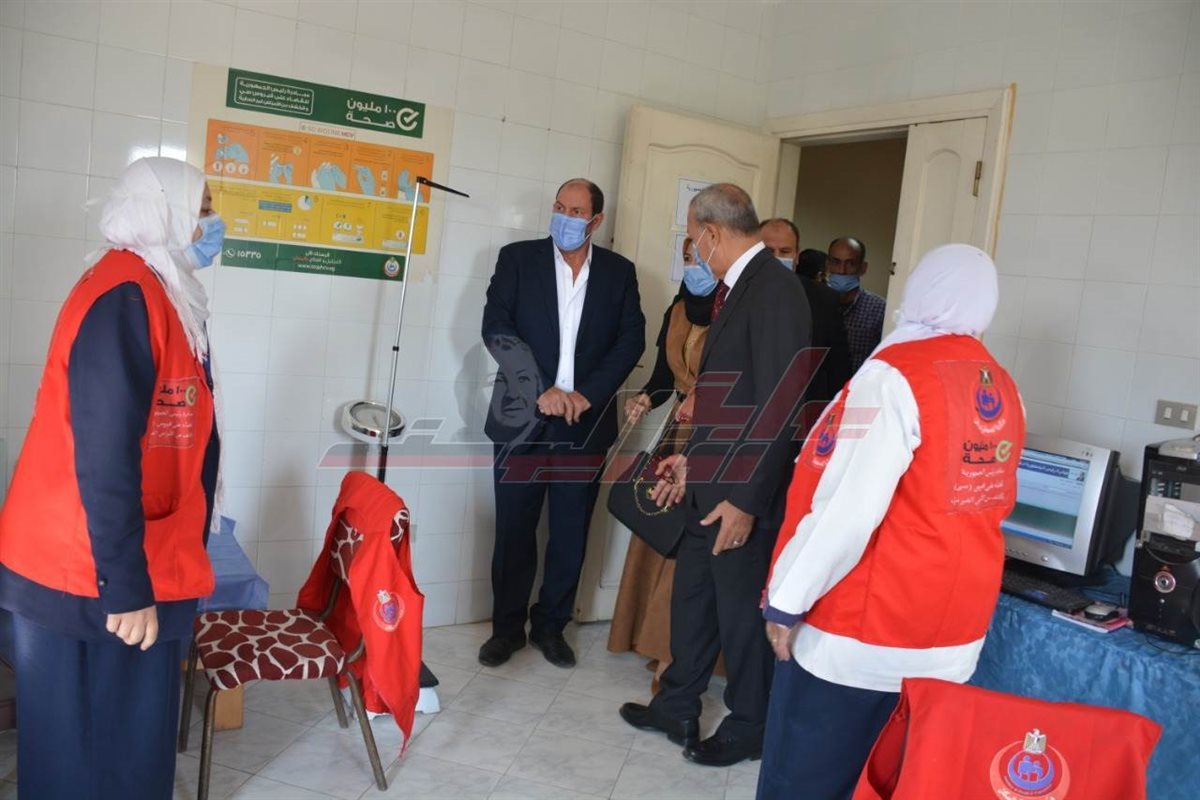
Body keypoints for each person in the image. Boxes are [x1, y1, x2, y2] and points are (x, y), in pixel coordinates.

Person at [757, 244, 1027, 800]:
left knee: (806, 782)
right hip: (952, 640)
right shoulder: (1002, 385)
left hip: (863, 634)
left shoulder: (894, 376)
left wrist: (786, 600)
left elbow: (847, 509)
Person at [0, 157, 224, 799]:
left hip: (131, 555)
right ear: (165, 212)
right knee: (88, 755)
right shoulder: (124, 296)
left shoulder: (159, 290)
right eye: (203, 210)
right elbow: (102, 453)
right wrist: (123, 588)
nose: (212, 226)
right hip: (87, 569)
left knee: (127, 745)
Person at [619, 184, 811, 768]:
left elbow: (779, 404)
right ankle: (676, 705)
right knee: (694, 601)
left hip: (741, 494)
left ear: (711, 233)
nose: (693, 247)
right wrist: (692, 460)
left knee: (739, 615)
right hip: (711, 479)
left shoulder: (775, 290)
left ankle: (752, 724)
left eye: (692, 235)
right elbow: (731, 394)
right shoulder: (738, 287)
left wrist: (747, 500)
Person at [480, 178, 644, 669]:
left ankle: (551, 627)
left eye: (576, 211)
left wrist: (587, 394)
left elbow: (631, 341)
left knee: (570, 535)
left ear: (596, 221)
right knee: (514, 531)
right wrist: (541, 388)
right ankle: (506, 631)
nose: (565, 217)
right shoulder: (517, 260)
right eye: (559, 207)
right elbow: (496, 328)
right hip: (522, 419)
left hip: (584, 424)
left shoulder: (618, 273)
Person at [607, 236, 715, 684]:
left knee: (688, 543)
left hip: (714, 435)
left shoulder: (738, 312)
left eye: (701, 259)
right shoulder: (678, 309)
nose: (693, 267)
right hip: (676, 431)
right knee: (657, 528)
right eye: (687, 258)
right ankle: (647, 638)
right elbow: (661, 379)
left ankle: (675, 655)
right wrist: (645, 400)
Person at [760, 219, 852, 415]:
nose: (776, 258)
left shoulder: (824, 300)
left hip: (804, 415)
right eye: (768, 251)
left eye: (785, 251)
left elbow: (838, 367)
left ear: (796, 255)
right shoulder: (735, 293)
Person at [826, 236, 885, 373]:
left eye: (850, 264)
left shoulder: (879, 310)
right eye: (836, 262)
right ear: (827, 265)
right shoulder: (815, 304)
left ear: (862, 268)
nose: (842, 270)